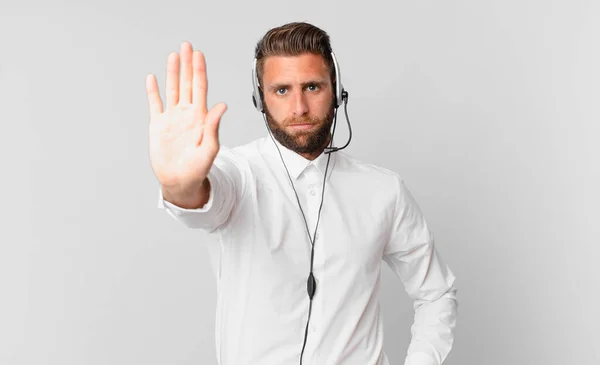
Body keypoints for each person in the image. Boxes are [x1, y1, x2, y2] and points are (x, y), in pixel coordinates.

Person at [146, 22, 458, 365]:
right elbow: (204, 201)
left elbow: (436, 293)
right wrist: (180, 185)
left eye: (312, 87)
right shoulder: (239, 173)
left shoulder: (384, 191)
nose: (298, 108)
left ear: (337, 91)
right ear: (260, 99)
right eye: (281, 90)